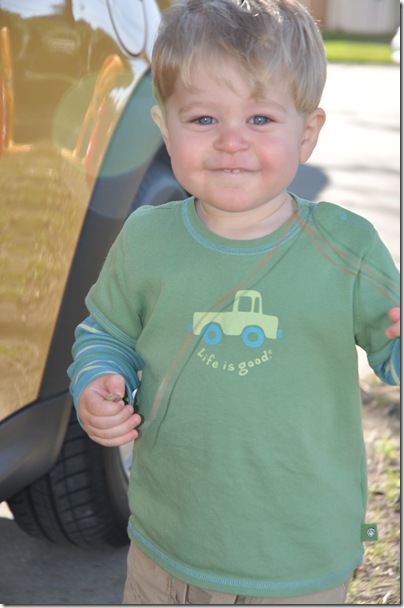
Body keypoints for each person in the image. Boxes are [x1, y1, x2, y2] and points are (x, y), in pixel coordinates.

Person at [67, 0, 400, 604]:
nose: (230, 141)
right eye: (202, 119)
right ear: (164, 128)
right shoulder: (146, 239)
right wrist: (97, 378)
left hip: (297, 561)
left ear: (307, 133)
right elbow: (106, 332)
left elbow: (392, 354)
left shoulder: (346, 249)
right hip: (163, 550)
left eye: (260, 118)